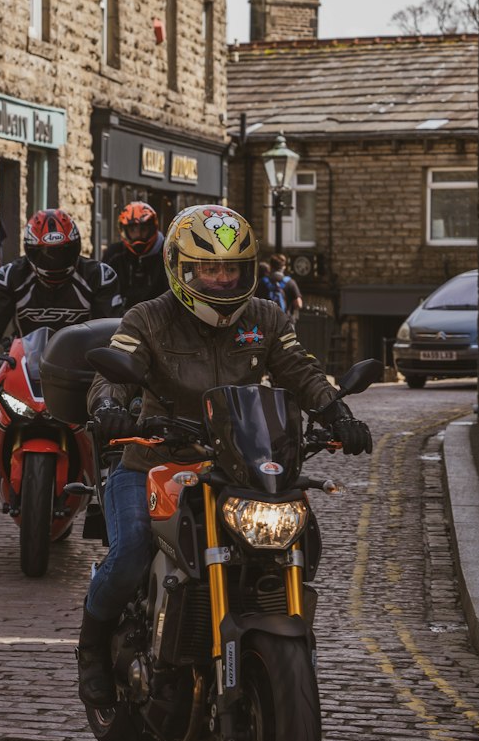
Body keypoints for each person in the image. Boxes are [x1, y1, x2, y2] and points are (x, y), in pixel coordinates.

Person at [75, 203, 372, 706]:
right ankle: (91, 651)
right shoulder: (148, 318)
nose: (220, 279)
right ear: (180, 268)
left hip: (240, 467)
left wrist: (336, 412)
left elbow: (302, 371)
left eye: (230, 268)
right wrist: (109, 407)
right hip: (156, 461)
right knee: (130, 554)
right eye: (208, 269)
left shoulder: (265, 318)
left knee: (292, 537)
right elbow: (116, 368)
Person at [0, 208, 123, 415]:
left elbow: (112, 330)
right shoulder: (10, 276)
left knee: (109, 420)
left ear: (75, 248)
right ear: (29, 251)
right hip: (22, 368)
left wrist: (111, 365)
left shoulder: (99, 276)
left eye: (62, 252)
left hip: (78, 372)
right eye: (46, 254)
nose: (54, 261)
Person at [101, 201, 167, 309]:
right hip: (120, 319)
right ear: (124, 231)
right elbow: (103, 293)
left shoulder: (166, 253)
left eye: (143, 229)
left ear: (152, 229)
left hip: (157, 318)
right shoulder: (114, 254)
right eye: (132, 230)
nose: (138, 235)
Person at [269, 252, 303, 322]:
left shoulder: (262, 282)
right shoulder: (290, 282)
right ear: (284, 267)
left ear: (270, 266)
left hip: (267, 322)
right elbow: (299, 304)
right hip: (286, 322)